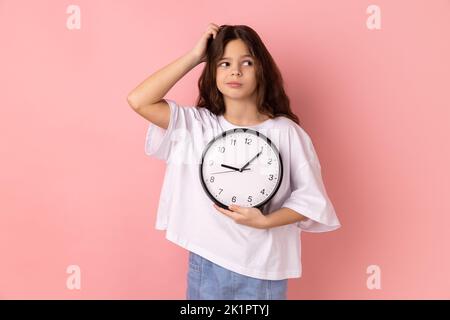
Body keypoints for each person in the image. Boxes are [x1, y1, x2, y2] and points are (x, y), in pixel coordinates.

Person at [127, 23, 341, 300]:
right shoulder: (197, 125)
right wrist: (195, 56)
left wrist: (265, 221)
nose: (235, 71)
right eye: (224, 63)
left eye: (247, 62)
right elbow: (139, 100)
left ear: (261, 69)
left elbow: (312, 201)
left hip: (264, 268)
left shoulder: (286, 133)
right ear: (212, 70)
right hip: (207, 261)